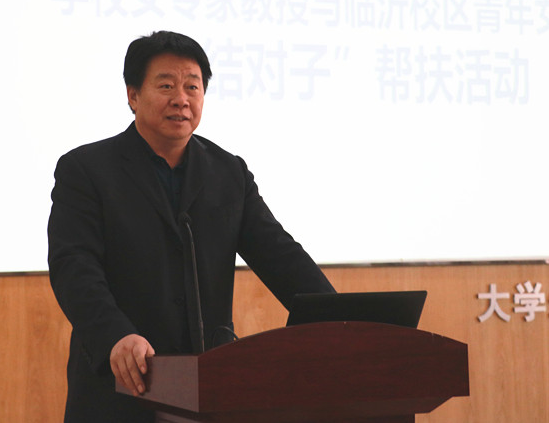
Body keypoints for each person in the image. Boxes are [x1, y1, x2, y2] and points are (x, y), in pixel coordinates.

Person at [47, 30, 335, 422]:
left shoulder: (227, 172)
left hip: (208, 387)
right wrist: (116, 335)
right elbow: (74, 267)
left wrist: (338, 320)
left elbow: (281, 256)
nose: (181, 99)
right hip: (121, 386)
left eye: (192, 87)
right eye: (166, 85)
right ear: (133, 95)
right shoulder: (87, 170)